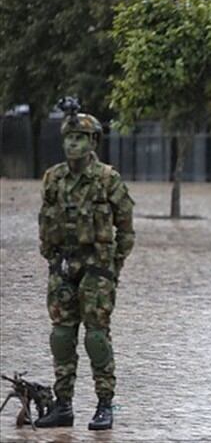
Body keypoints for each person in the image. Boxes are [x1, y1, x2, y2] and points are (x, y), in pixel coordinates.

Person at [35, 97, 135, 430]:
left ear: (93, 142)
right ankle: (63, 405)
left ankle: (105, 404)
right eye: (69, 138)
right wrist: (52, 258)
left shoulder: (107, 179)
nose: (73, 144)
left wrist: (113, 266)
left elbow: (126, 229)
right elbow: (44, 221)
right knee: (62, 336)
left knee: (96, 337)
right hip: (63, 268)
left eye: (79, 138)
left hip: (97, 270)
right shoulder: (53, 178)